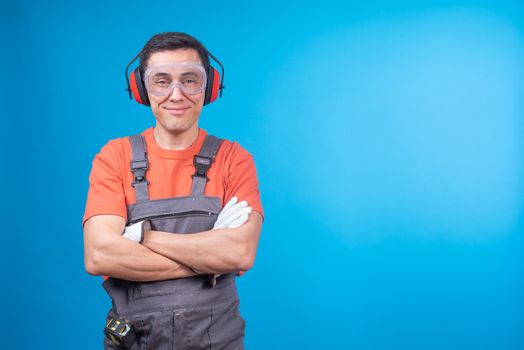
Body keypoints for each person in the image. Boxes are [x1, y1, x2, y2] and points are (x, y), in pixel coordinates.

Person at [82, 32, 264, 349]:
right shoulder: (114, 157)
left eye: (190, 80)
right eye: (162, 81)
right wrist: (207, 262)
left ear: (209, 87)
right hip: (134, 341)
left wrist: (144, 236)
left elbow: (239, 253)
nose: (176, 94)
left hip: (216, 341)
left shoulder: (235, 159)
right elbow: (99, 255)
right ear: (141, 89)